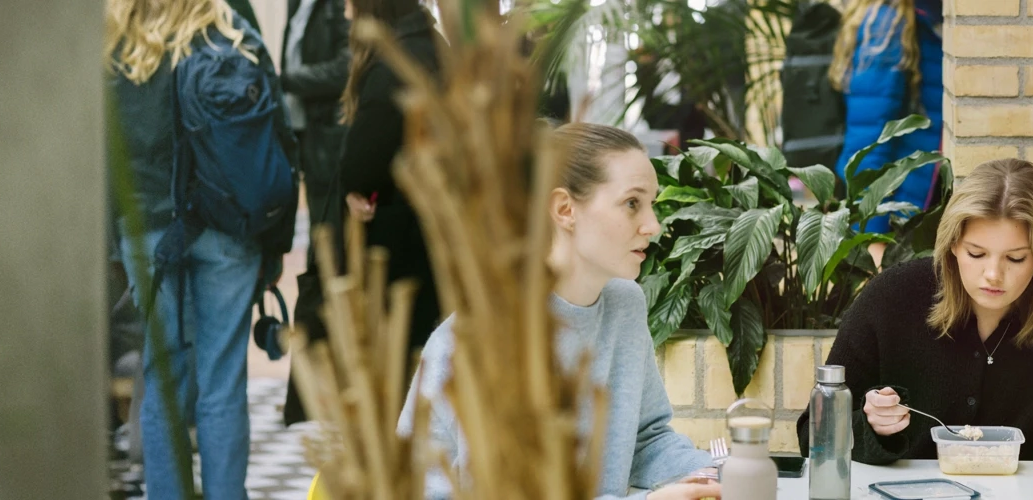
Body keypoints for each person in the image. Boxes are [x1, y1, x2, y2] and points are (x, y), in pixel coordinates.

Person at [398, 123, 722, 500]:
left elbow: (646, 441)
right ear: (565, 210)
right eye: (632, 203)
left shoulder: (624, 303)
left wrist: (721, 473)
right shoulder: (489, 336)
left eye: (651, 204)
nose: (652, 225)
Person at [105, 0, 288, 498]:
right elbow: (277, 138)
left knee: (164, 380)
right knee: (223, 382)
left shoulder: (117, 46)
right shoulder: (231, 30)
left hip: (147, 233)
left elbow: (102, 155)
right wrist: (275, 244)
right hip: (229, 231)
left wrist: (113, 245)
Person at [797, 158, 1033, 464]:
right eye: (976, 253)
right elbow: (812, 436)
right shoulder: (891, 299)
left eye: (1016, 258)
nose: (993, 274)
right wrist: (870, 426)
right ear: (952, 245)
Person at [337, 0, 444, 363]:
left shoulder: (393, 67)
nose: (346, 10)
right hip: (439, 235)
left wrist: (353, 188)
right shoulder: (438, 48)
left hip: (401, 244)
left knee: (399, 364)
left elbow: (361, 166)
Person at [280, 0, 354, 426]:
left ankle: (319, 397)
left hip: (331, 144)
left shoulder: (334, 7)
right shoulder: (299, 5)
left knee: (325, 267)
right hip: (306, 140)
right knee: (315, 267)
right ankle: (309, 397)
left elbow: (345, 67)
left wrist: (285, 81)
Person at [830, 0, 944, 263]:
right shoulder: (886, 22)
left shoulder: (927, 15)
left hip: (918, 198)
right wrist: (873, 240)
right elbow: (869, 141)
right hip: (896, 213)